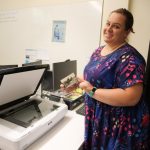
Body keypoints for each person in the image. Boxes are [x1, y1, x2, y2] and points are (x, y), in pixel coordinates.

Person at [61, 8, 150, 149]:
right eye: (108, 24)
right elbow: (92, 76)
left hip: (118, 126)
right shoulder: (98, 51)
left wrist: (90, 90)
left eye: (116, 26)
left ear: (127, 32)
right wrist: (75, 83)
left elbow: (132, 97)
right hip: (98, 118)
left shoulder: (132, 58)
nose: (109, 29)